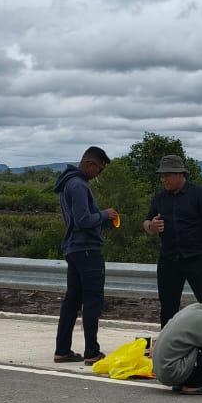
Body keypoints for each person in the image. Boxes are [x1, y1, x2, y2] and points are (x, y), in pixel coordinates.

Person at [53, 146, 118, 365]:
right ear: (89, 164)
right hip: (87, 250)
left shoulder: (67, 183)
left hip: (74, 249)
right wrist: (104, 214)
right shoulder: (79, 185)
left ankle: (62, 350)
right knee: (92, 301)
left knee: (72, 300)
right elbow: (83, 220)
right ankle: (92, 352)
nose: (99, 175)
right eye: (99, 170)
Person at [142, 154, 202, 327]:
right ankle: (168, 345)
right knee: (168, 307)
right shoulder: (159, 198)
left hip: (198, 258)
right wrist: (151, 226)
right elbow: (146, 223)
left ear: (180, 174)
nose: (163, 179)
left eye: (167, 175)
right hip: (169, 260)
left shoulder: (200, 194)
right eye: (162, 175)